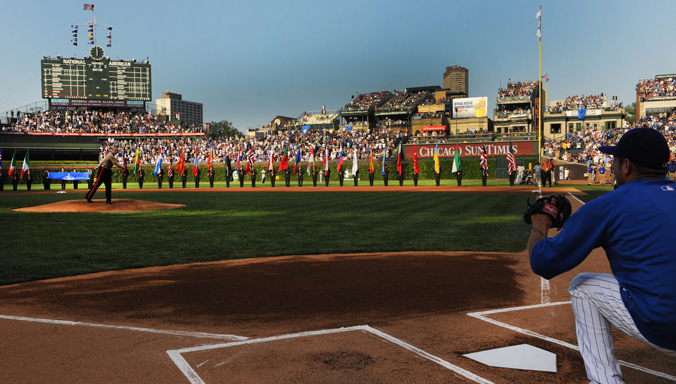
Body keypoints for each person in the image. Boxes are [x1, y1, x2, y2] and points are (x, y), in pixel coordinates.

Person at [528, 128, 676, 384]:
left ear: (627, 165)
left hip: (665, 327)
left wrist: (540, 224)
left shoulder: (610, 204)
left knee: (582, 287)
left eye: (615, 161)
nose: (613, 166)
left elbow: (542, 262)